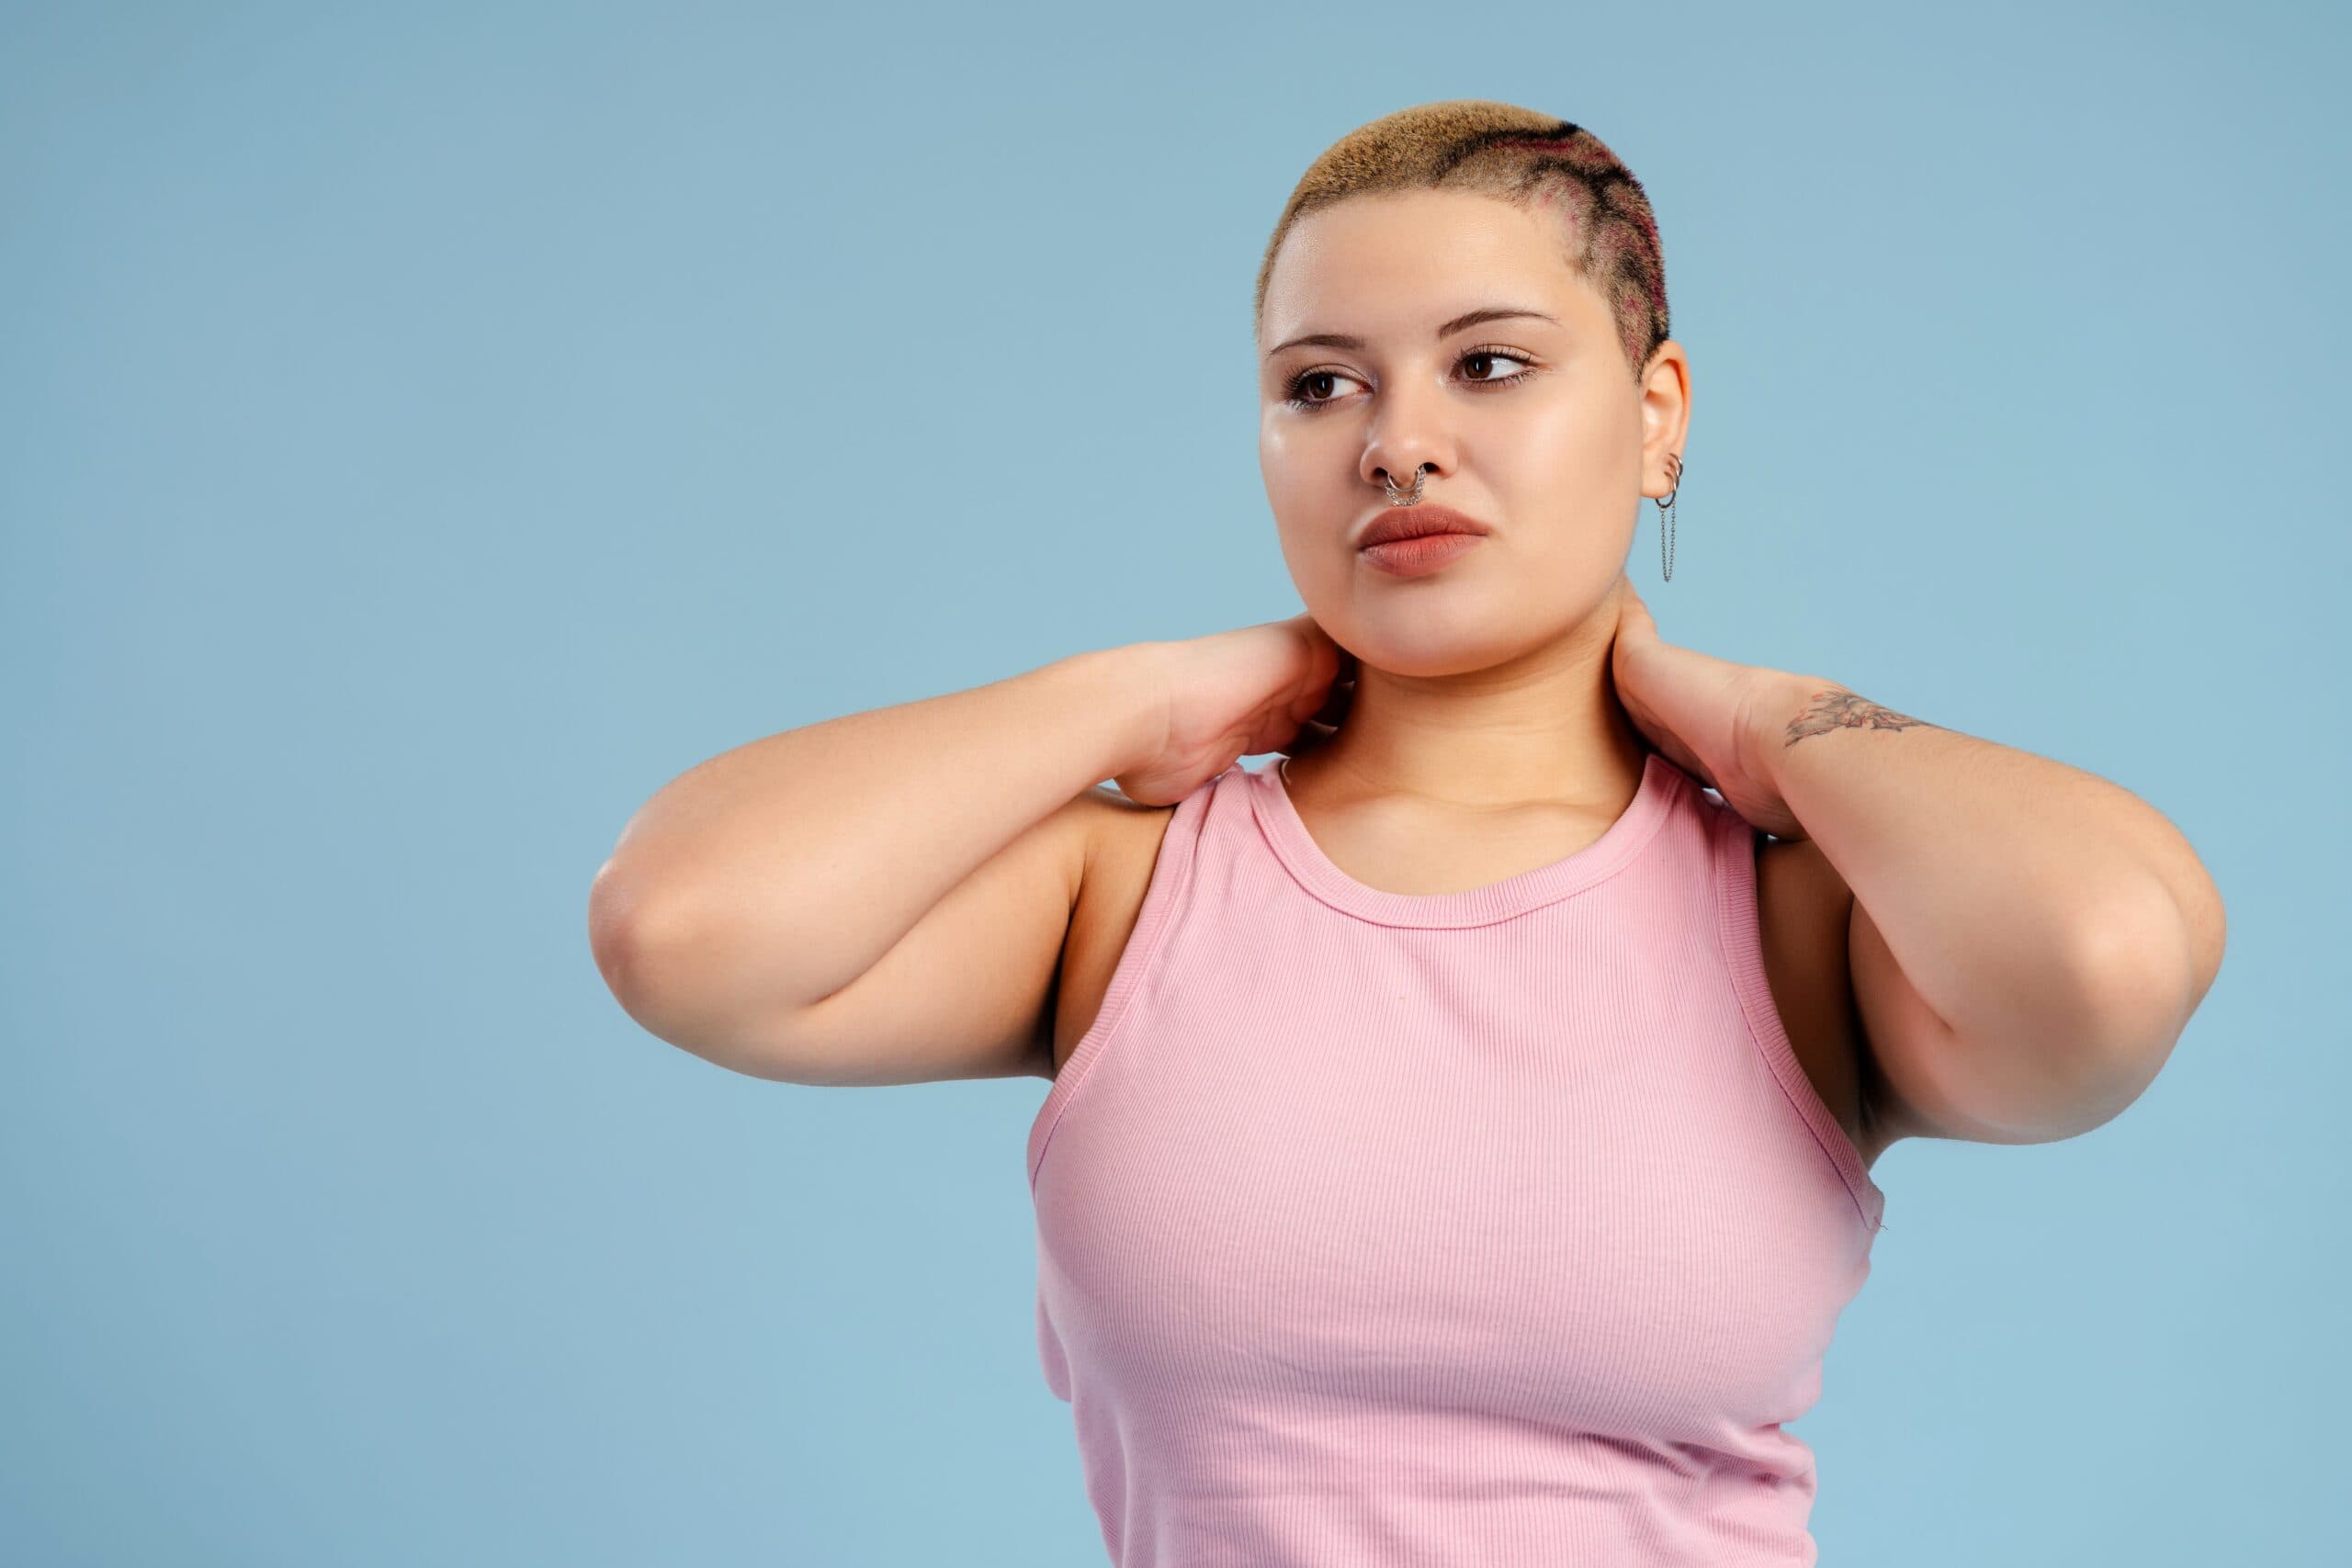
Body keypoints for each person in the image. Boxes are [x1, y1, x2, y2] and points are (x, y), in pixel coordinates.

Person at [588, 99, 2225, 1567]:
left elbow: (2103, 955)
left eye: (1490, 362)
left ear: (1659, 412)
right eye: (1320, 387)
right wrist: (1133, 693)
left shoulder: (1794, 925)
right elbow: (687, 928)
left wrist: (1761, 718)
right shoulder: (1129, 888)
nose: (1398, 439)